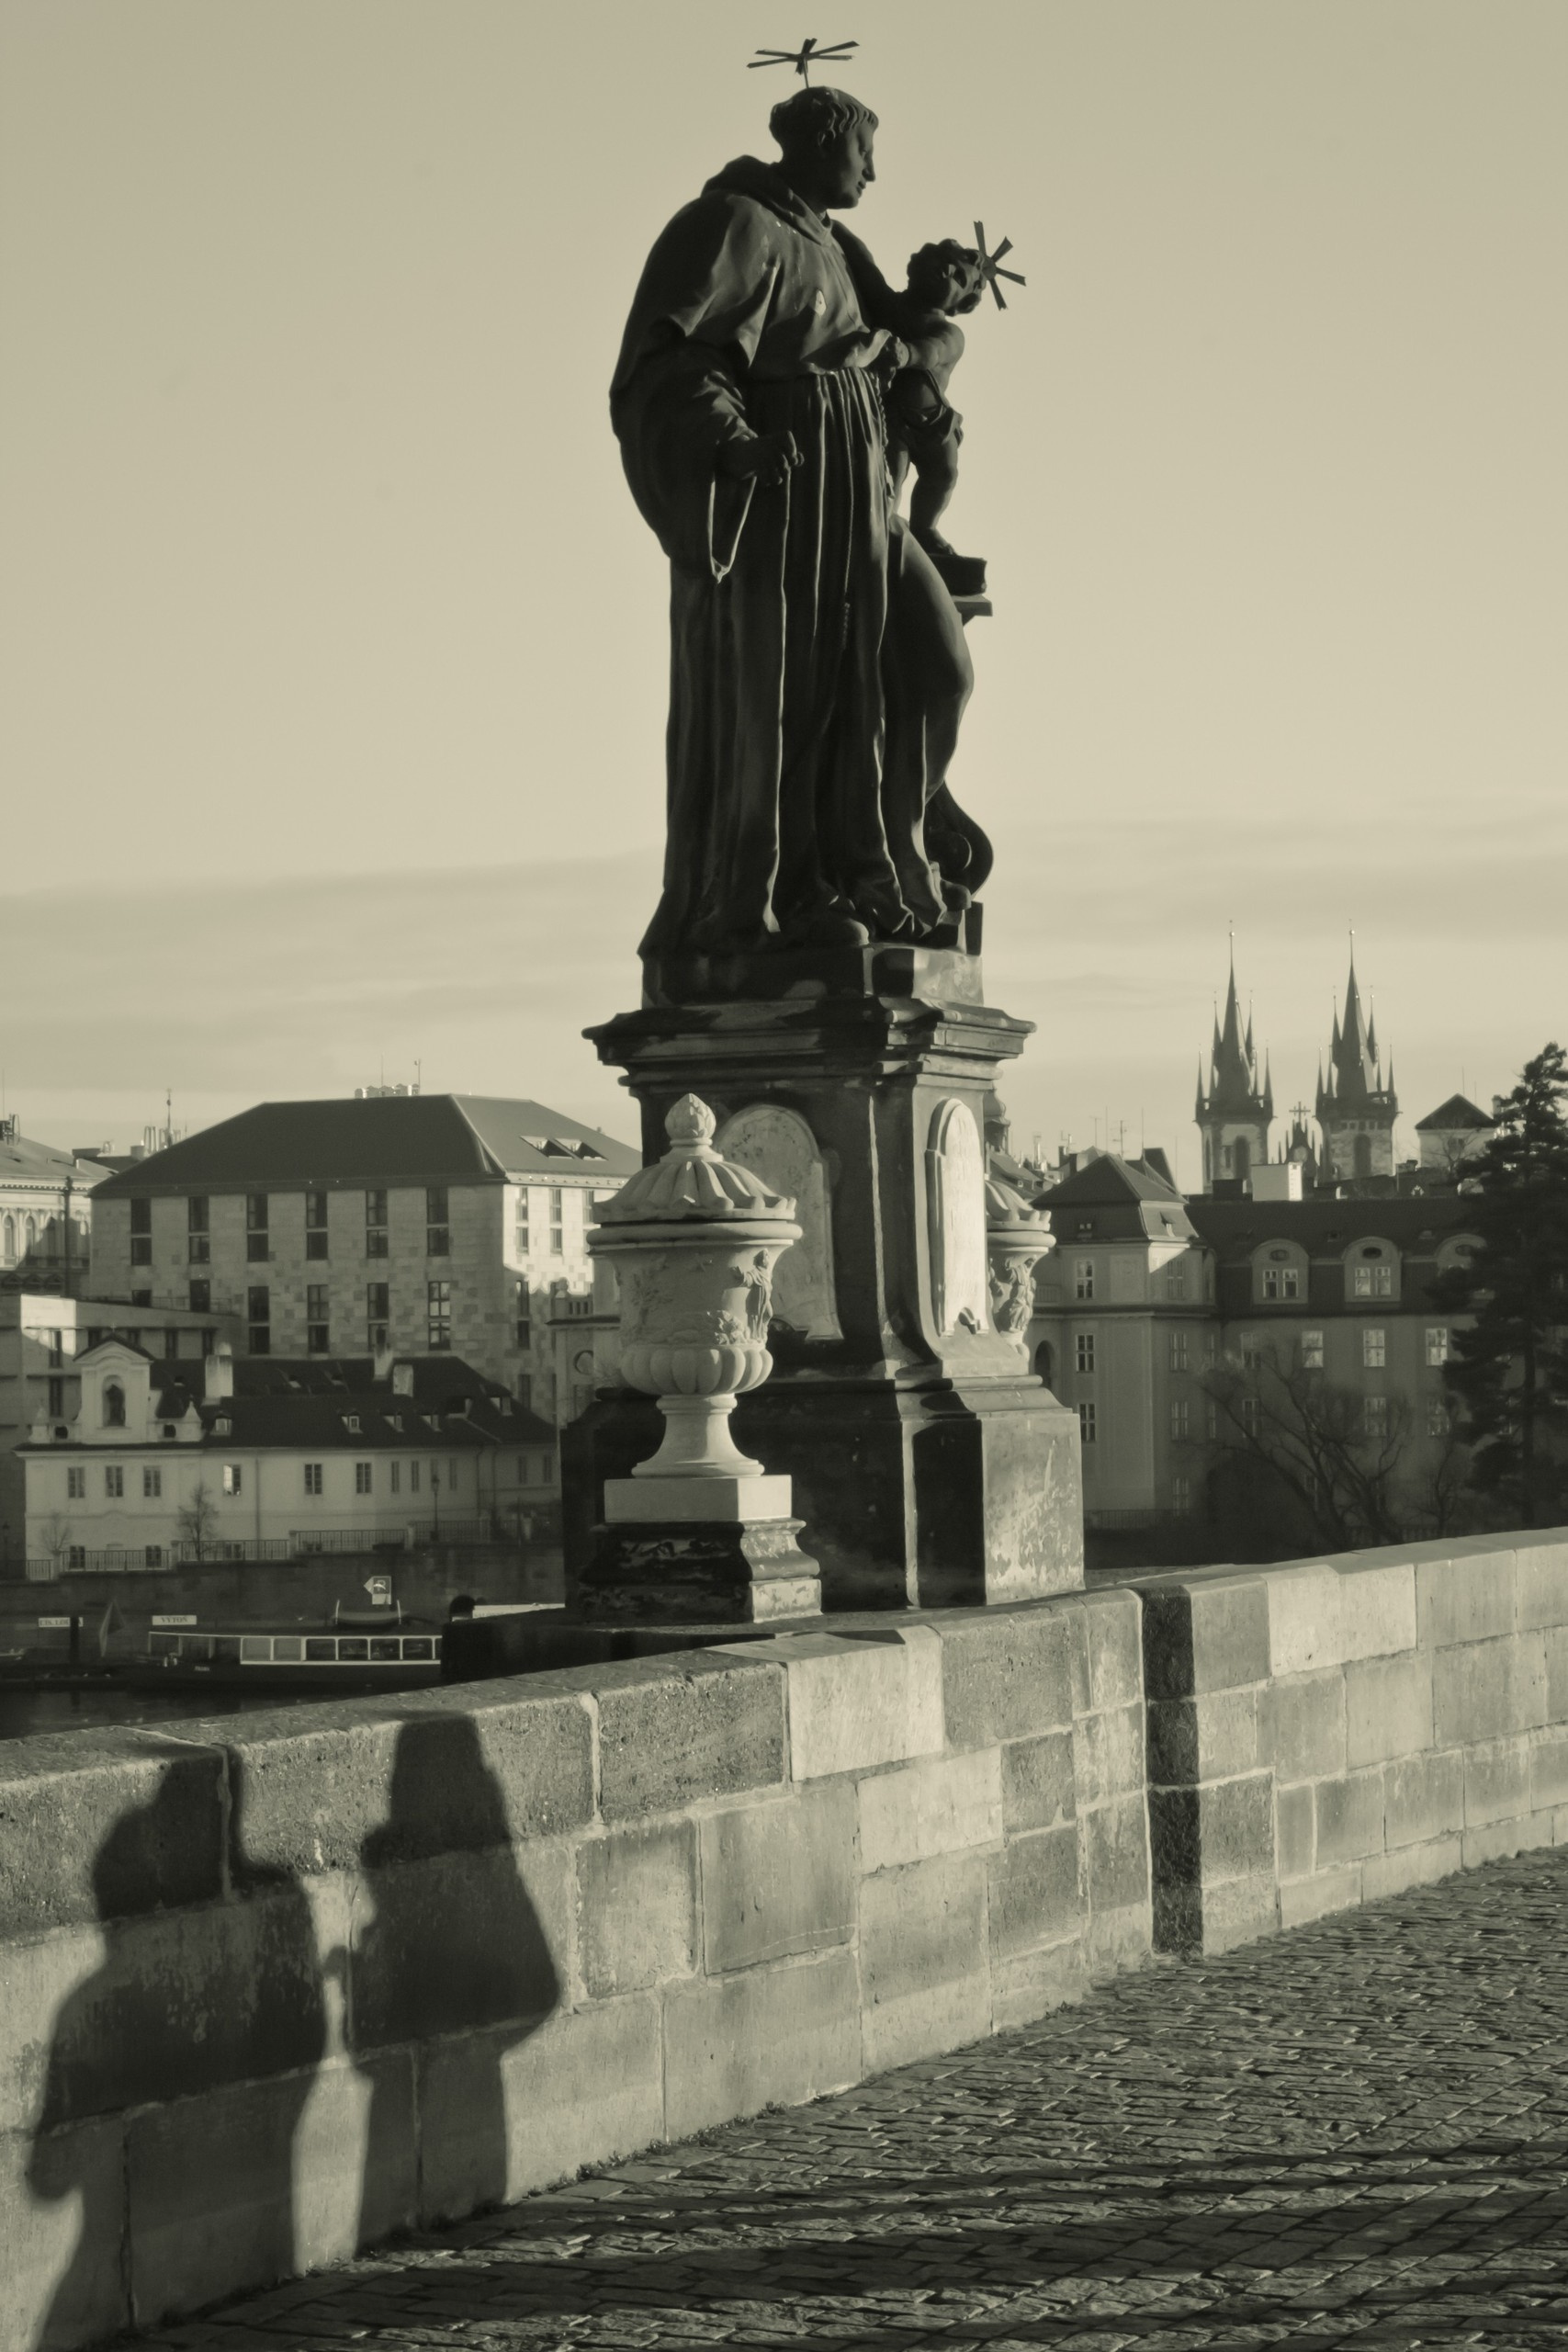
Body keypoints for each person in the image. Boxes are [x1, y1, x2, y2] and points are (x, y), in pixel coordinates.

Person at [611, 86, 978, 959]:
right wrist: (732, 439)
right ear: (821, 144)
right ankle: (778, 897)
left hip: (861, 493)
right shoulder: (733, 224)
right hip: (788, 497)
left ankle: (888, 862)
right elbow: (670, 359)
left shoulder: (833, 244)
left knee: (931, 674)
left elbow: (918, 333)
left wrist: (919, 381)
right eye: (864, 152)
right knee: (792, 699)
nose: (875, 171)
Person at [880, 239, 988, 598]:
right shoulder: (889, 305)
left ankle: (925, 529)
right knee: (888, 482)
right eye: (944, 263)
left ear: (960, 305)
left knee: (943, 475)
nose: (948, 272)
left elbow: (933, 351)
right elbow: (864, 270)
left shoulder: (949, 332)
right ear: (917, 264)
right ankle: (883, 530)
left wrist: (906, 352)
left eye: (959, 278)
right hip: (891, 419)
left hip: (934, 421)